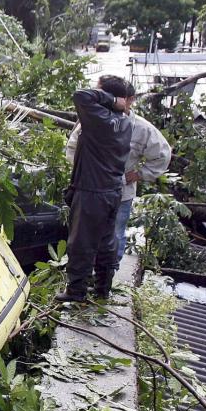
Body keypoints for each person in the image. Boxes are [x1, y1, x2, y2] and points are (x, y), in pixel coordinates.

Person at [64, 102, 172, 271]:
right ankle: (84, 275)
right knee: (85, 234)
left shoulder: (142, 129)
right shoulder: (93, 123)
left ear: (130, 100)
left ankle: (107, 276)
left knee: (114, 234)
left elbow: (162, 155)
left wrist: (138, 174)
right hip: (90, 189)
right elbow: (72, 149)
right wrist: (86, 172)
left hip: (122, 191)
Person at [57, 75, 134, 303]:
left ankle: (76, 291)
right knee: (106, 242)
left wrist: (111, 99)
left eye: (99, 90)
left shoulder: (100, 119)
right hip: (112, 191)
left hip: (92, 191)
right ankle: (102, 289)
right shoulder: (126, 122)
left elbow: (80, 95)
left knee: (81, 243)